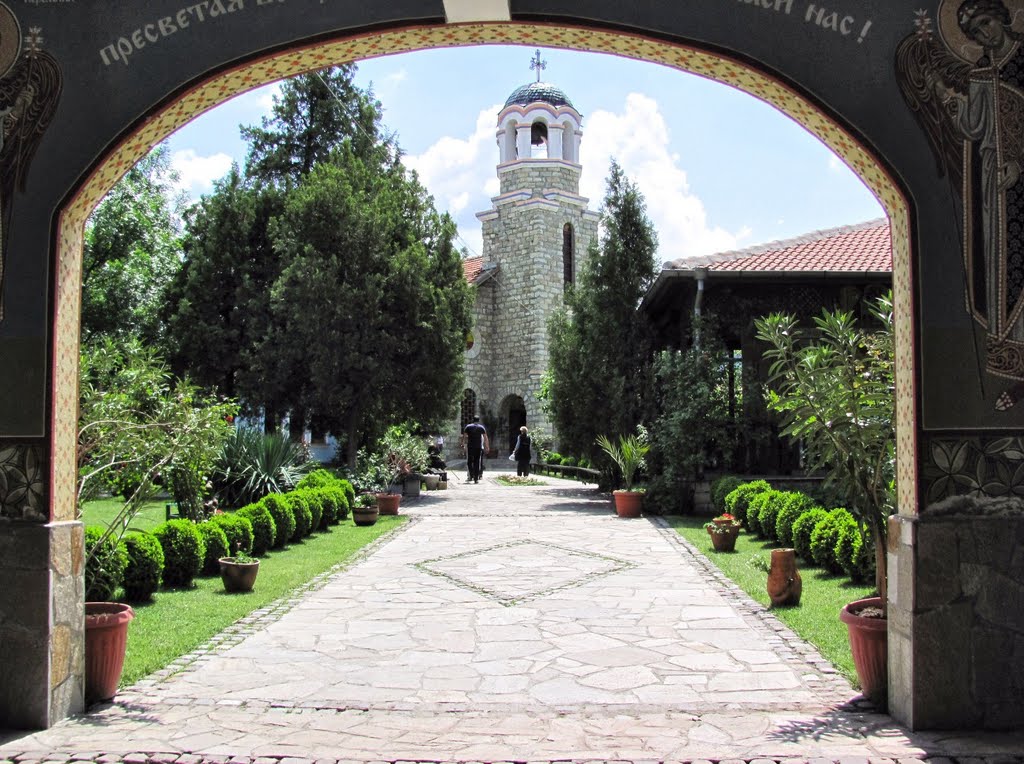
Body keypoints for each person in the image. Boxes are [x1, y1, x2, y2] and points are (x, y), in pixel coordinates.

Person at [462, 415, 488, 483]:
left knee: (469, 462)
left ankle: (471, 475)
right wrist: (487, 446)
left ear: (472, 420)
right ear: (478, 420)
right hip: (478, 447)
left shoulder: (468, 427)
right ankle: (476, 478)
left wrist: (463, 445)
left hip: (470, 446)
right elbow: (485, 438)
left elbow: (464, 436)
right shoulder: (481, 427)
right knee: (477, 462)